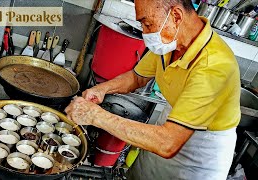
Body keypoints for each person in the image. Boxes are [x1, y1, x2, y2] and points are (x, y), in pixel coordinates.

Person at [65, 0, 241, 179]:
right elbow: (137, 77)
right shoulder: (171, 42)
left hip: (200, 153)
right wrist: (102, 89)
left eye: (147, 23)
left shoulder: (215, 67)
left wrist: (95, 116)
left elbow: (167, 143)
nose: (145, 32)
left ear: (176, 16)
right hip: (172, 124)